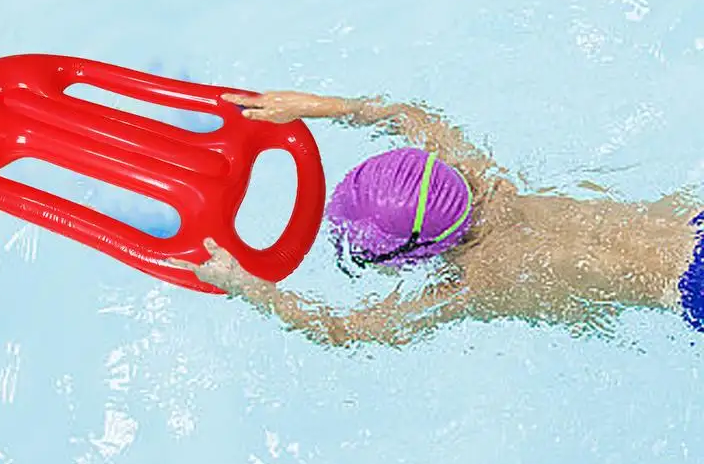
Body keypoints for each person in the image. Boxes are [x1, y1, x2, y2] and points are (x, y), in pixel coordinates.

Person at [166, 91, 702, 346]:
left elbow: (346, 331)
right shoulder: (477, 176)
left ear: (416, 256)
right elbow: (407, 115)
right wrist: (313, 107)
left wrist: (245, 285)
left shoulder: (475, 281)